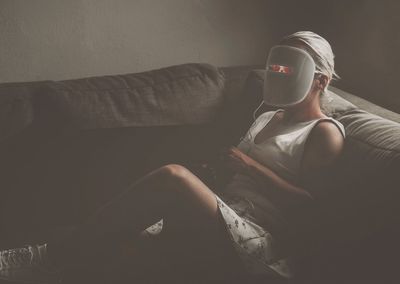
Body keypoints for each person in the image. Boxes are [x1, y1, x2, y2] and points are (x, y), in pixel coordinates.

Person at [0, 31, 345, 284]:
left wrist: (249, 167)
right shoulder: (269, 116)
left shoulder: (324, 132)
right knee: (118, 249)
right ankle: (52, 264)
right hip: (224, 212)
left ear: (321, 80)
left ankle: (45, 258)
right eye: (278, 68)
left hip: (263, 240)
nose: (279, 74)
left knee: (174, 177)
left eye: (290, 69)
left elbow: (312, 207)